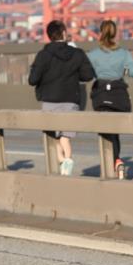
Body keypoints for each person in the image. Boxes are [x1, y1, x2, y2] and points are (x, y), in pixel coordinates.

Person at [29, 20, 96, 176]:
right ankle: (67, 159)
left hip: (49, 100)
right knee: (65, 136)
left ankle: (63, 159)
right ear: (64, 34)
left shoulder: (43, 55)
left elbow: (32, 80)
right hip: (70, 99)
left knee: (53, 135)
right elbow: (88, 75)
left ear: (49, 36)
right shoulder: (77, 54)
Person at [87, 20, 133, 180]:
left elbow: (87, 74)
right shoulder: (123, 53)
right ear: (115, 33)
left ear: (100, 32)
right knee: (114, 131)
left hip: (101, 94)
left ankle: (113, 163)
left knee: (105, 132)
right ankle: (116, 161)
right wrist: (121, 69)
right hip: (118, 94)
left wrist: (100, 71)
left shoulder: (93, 54)